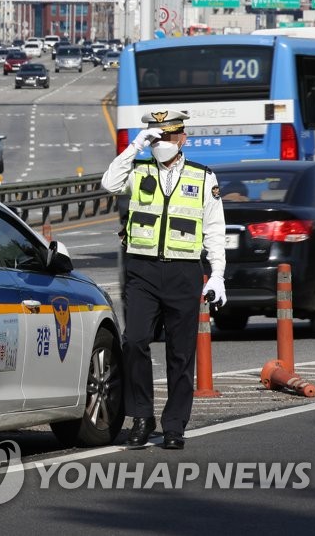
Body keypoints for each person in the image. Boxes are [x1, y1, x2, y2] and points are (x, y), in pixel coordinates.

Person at [101, 110, 226, 451]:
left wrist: (217, 275)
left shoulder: (202, 177)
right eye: (157, 138)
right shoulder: (138, 169)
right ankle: (142, 417)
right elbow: (108, 183)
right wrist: (133, 147)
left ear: (182, 138)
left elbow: (215, 230)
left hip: (184, 271)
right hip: (142, 270)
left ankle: (174, 424)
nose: (162, 145)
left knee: (180, 352)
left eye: (168, 138)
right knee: (135, 341)